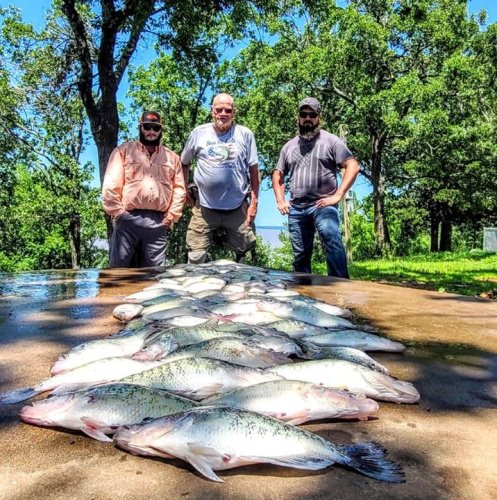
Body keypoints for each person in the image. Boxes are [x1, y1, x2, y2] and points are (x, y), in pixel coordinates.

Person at [272, 97, 360, 278]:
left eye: (312, 115)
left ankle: (340, 287)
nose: (307, 118)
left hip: (323, 205)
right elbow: (278, 174)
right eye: (303, 114)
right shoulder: (289, 147)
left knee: (331, 238)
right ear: (298, 118)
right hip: (296, 208)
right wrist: (280, 200)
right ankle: (304, 295)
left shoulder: (332, 141)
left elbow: (352, 165)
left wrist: (338, 195)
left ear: (319, 118)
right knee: (301, 255)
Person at [181, 93, 259, 264]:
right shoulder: (199, 133)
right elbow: (184, 163)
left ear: (234, 112)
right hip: (204, 206)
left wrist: (253, 203)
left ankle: (239, 288)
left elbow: (254, 170)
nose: (223, 113)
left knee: (243, 250)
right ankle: (194, 287)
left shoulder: (245, 134)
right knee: (195, 254)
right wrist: (184, 189)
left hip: (237, 206)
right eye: (219, 109)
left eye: (228, 110)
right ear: (212, 111)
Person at [102, 111, 185, 267]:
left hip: (158, 221)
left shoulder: (173, 158)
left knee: (155, 276)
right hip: (127, 220)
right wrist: (120, 214)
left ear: (161, 130)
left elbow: (180, 190)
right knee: (118, 273)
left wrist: (170, 218)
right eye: (147, 127)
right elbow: (110, 185)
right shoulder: (123, 151)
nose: (151, 132)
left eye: (156, 128)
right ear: (140, 128)